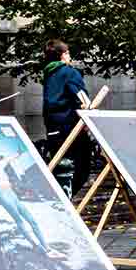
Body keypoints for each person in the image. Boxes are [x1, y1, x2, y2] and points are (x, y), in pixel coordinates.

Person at [41, 40, 92, 195]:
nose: (70, 55)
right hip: (70, 127)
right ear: (62, 55)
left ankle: (61, 198)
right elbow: (82, 98)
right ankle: (66, 200)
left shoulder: (48, 74)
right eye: (68, 52)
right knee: (82, 168)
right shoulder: (69, 72)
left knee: (60, 168)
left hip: (52, 127)